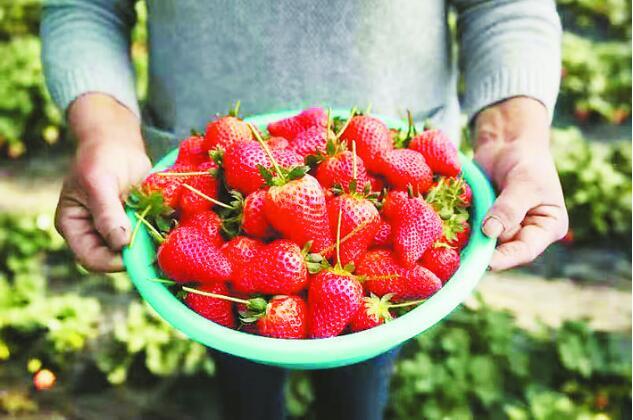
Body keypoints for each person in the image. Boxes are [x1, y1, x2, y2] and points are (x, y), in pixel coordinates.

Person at [41, 1, 569, 419]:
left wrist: (512, 133)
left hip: (392, 170)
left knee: (361, 372)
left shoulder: (386, 214)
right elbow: (84, 4)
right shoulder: (229, 241)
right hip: (201, 183)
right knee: (242, 372)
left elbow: (505, 4)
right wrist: (104, 130)